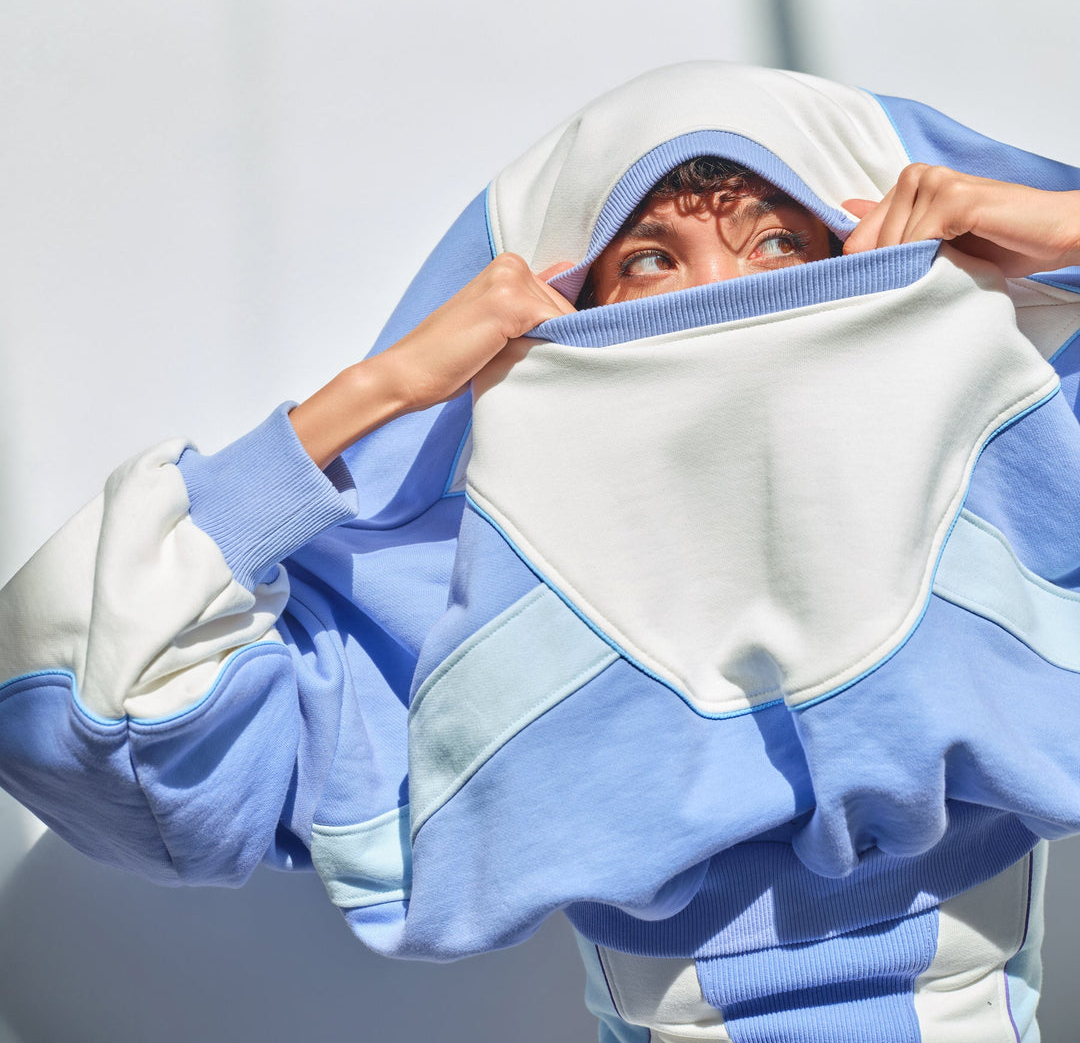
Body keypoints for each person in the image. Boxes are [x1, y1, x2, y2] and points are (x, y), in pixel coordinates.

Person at [2, 60, 1080, 1043]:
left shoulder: (1003, 495)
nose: (719, 291)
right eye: (652, 258)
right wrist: (386, 391)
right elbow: (79, 704)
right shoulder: (486, 601)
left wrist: (1051, 228)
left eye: (780, 244)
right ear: (567, 315)